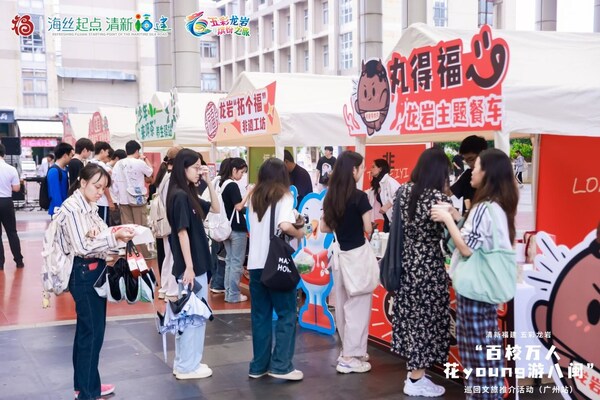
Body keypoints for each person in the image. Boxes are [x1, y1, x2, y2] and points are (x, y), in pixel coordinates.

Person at [432, 149, 519, 400]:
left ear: (488, 173)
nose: (471, 171)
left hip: (475, 293)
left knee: (476, 359)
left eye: (476, 166)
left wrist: (448, 220)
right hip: (486, 293)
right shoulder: (498, 207)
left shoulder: (484, 207)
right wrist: (458, 217)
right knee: (487, 356)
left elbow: (467, 248)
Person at [55, 163, 136, 400]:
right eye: (96, 186)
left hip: (91, 270)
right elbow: (83, 245)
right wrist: (113, 236)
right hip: (84, 273)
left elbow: (99, 234)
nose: (100, 192)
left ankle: (87, 384)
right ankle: (87, 392)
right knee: (92, 334)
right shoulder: (73, 208)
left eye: (103, 187)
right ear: (82, 182)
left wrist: (113, 234)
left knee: (87, 332)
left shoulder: (87, 205)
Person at [389, 147, 451, 397]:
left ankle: (414, 375)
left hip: (406, 263)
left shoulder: (403, 190)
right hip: (428, 265)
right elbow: (448, 240)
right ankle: (416, 380)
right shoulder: (438, 198)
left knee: (412, 319)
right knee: (426, 320)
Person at [247, 158, 305, 381]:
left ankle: (258, 366)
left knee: (260, 316)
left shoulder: (254, 197)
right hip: (277, 264)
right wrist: (300, 233)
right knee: (286, 313)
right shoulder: (285, 195)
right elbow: (284, 225)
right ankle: (281, 366)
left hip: (255, 265)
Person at [166, 149, 219, 380]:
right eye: (196, 168)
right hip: (192, 266)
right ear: (183, 167)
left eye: (201, 167)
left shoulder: (188, 193)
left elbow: (215, 208)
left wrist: (208, 181)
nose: (200, 171)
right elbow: (182, 233)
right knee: (193, 317)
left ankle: (186, 363)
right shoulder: (179, 195)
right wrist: (189, 266)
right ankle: (188, 365)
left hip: (194, 265)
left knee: (189, 317)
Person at [321, 150, 373, 374]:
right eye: (361, 168)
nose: (363, 172)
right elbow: (368, 228)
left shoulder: (330, 196)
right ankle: (350, 357)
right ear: (353, 170)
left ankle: (350, 350)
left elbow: (324, 227)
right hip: (357, 256)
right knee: (358, 307)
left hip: (339, 255)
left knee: (342, 306)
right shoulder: (360, 197)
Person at [113, 140, 153, 257]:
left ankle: (131, 252)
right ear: (137, 151)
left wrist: (117, 197)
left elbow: (114, 183)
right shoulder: (139, 162)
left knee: (127, 227)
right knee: (141, 225)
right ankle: (144, 253)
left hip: (123, 199)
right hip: (138, 199)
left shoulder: (118, 164)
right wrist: (145, 159)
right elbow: (150, 173)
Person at [219, 157, 251, 303]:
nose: (242, 175)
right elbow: (238, 206)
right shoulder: (232, 185)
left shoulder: (221, 183)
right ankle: (233, 295)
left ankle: (229, 293)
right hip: (236, 228)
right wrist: (249, 193)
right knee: (236, 262)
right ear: (234, 170)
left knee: (230, 261)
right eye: (242, 172)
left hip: (225, 228)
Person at [154, 146, 182, 300]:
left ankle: (165, 288)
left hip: (165, 222)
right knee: (173, 257)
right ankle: (172, 290)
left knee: (168, 256)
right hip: (172, 223)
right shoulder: (172, 178)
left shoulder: (164, 175)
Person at [208, 158, 230, 294]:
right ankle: (218, 283)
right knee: (223, 255)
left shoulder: (216, 181)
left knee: (216, 254)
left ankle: (215, 281)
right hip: (222, 224)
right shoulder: (229, 184)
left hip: (214, 224)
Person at [0, 143, 24, 270]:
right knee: (12, 232)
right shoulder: (11, 169)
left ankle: (0, 263)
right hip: (6, 202)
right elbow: (16, 188)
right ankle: (19, 260)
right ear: (4, 154)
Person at [450, 135, 488, 214]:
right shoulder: (468, 175)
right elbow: (448, 192)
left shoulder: (496, 180)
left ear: (483, 154)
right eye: (466, 161)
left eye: (471, 159)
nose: (470, 164)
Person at [367, 158, 400, 233]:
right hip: (387, 219)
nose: (370, 169)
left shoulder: (390, 182)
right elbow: (368, 194)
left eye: (373, 167)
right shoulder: (378, 184)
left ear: (380, 169)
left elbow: (400, 195)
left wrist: (387, 205)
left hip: (395, 220)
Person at [88, 141, 115, 226]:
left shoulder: (89, 163)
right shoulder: (101, 166)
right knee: (102, 225)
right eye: (107, 152)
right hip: (102, 201)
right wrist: (110, 201)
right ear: (102, 151)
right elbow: (105, 186)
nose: (107, 154)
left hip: (91, 200)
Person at [48, 142, 74, 216]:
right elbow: (55, 193)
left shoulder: (65, 169)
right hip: (58, 210)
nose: (71, 158)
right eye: (71, 156)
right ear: (65, 155)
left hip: (65, 208)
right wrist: (60, 211)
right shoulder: (54, 171)